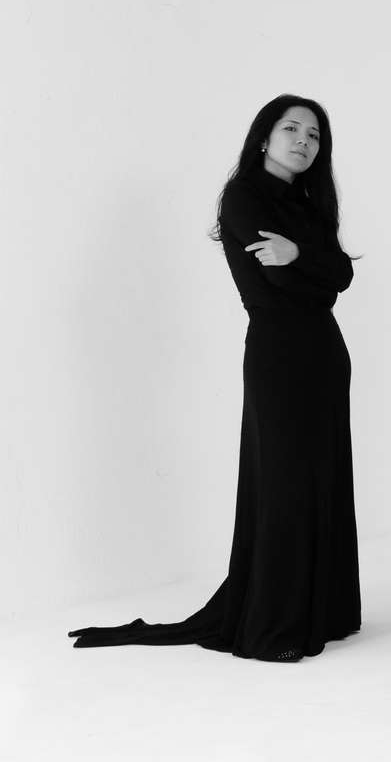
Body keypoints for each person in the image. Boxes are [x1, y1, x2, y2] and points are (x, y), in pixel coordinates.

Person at [69, 95, 361, 662]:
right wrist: (312, 266)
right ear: (264, 137)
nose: (304, 141)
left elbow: (340, 277)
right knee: (284, 482)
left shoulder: (310, 205)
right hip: (279, 353)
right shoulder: (243, 197)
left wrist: (297, 253)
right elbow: (282, 285)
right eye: (292, 129)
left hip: (326, 352)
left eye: (314, 135)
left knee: (323, 476)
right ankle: (277, 627)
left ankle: (322, 612)